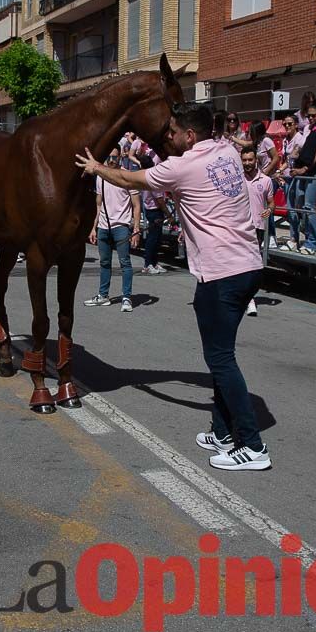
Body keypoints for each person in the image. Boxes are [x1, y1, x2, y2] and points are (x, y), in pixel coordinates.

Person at [75, 104, 270, 472]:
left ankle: (253, 445)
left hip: (222, 273)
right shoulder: (226, 151)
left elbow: (132, 180)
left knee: (221, 360)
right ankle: (222, 431)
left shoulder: (183, 166)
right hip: (246, 267)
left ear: (190, 136)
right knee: (221, 355)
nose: (169, 137)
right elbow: (236, 139)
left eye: (174, 132)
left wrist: (98, 168)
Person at [84, 149, 141, 312]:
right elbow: (98, 204)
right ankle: (103, 296)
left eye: (114, 157)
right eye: (108, 156)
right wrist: (93, 228)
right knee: (104, 262)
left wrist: (136, 228)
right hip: (104, 226)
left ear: (120, 157)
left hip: (121, 226)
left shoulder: (126, 176)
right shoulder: (101, 176)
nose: (110, 160)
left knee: (125, 263)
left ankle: (126, 297)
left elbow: (136, 205)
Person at [289, 103, 316, 255]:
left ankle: (313, 243)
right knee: (300, 205)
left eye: (313, 115)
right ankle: (310, 237)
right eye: (308, 116)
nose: (310, 118)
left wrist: (306, 168)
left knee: (310, 206)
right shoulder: (307, 129)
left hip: (314, 170)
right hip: (302, 169)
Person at [240, 145, 272, 316]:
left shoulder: (266, 180)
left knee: (253, 266)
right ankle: (247, 299)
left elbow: (271, 201)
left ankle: (249, 297)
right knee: (240, 263)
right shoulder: (237, 179)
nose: (247, 163)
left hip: (257, 227)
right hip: (239, 227)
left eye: (250, 160)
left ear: (256, 160)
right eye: (244, 160)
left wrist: (270, 209)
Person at [277, 114, 306, 252]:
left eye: (290, 124)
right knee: (291, 209)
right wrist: (280, 172)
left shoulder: (299, 139)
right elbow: (285, 159)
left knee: (296, 209)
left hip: (297, 177)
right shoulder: (286, 140)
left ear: (296, 124)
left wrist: (280, 170)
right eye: (285, 124)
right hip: (288, 177)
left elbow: (292, 157)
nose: (287, 126)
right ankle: (293, 237)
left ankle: (297, 238)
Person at [141, 186, 169, 275]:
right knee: (152, 238)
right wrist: (168, 214)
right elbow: (159, 199)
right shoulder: (154, 183)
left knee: (157, 238)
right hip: (154, 210)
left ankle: (154, 262)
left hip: (154, 210)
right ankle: (147, 264)